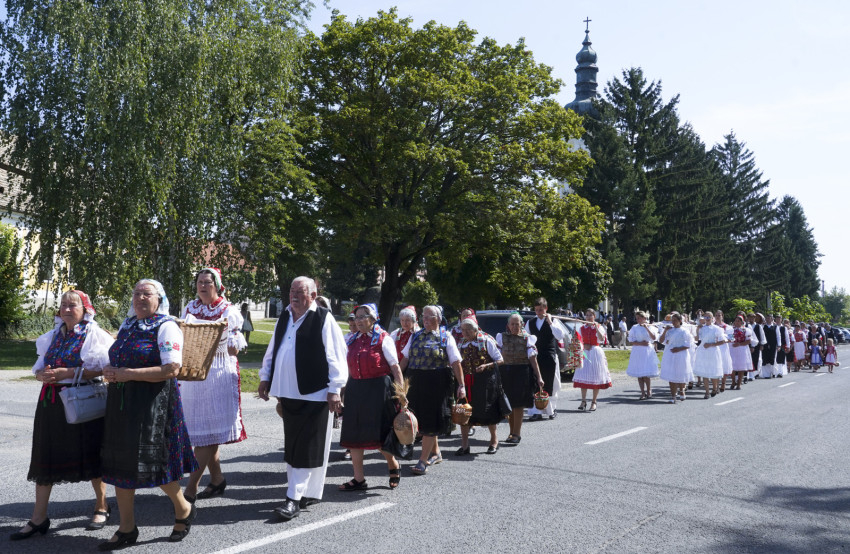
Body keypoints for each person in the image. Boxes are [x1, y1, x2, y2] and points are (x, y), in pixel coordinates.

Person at [100, 280, 197, 550]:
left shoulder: (167, 326)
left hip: (154, 403)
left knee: (154, 463)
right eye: (137, 293)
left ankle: (183, 508)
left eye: (147, 294)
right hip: (122, 402)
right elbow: (120, 357)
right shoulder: (128, 325)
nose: (140, 298)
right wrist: (110, 369)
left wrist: (128, 374)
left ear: (159, 299)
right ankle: (127, 528)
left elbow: (171, 369)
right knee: (120, 464)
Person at [11, 290, 114, 541]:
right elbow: (39, 368)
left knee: (91, 452)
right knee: (45, 454)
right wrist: (42, 375)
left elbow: (103, 368)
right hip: (51, 402)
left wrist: (67, 373)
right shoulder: (52, 336)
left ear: (85, 310)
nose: (67, 309)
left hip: (82, 401)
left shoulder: (93, 334)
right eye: (64, 305)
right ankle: (38, 517)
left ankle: (102, 506)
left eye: (73, 305)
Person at [257, 277, 348, 521]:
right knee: (297, 445)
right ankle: (308, 492)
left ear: (313, 295)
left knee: (306, 447)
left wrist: (335, 388)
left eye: (300, 291)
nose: (294, 295)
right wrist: (265, 377)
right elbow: (273, 350)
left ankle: (293, 498)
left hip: (315, 392)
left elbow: (337, 355)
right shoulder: (285, 316)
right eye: (292, 291)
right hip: (288, 392)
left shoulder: (323, 318)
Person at [180, 268, 248, 504]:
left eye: (207, 282)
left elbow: (235, 348)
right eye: (199, 282)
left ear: (217, 286)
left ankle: (190, 489)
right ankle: (217, 479)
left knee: (207, 435)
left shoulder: (228, 310)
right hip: (194, 373)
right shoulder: (190, 307)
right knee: (203, 432)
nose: (202, 286)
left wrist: (227, 340)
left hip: (218, 374)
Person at [338, 303, 404, 491]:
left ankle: (393, 464)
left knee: (379, 434)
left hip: (378, 390)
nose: (358, 321)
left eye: (362, 317)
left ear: (373, 319)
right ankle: (358, 479)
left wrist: (401, 393)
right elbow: (344, 368)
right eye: (356, 317)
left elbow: (395, 368)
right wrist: (340, 393)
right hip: (355, 389)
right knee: (354, 435)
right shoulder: (351, 339)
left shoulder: (383, 338)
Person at [399, 305, 464, 475]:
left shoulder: (446, 337)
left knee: (430, 420)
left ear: (438, 319)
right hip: (415, 381)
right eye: (424, 316)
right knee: (419, 420)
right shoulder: (415, 335)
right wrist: (397, 380)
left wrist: (462, 385)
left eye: (429, 316)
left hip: (436, 383)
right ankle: (436, 453)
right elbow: (405, 359)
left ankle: (423, 460)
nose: (425, 319)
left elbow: (456, 362)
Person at [455, 315, 504, 455]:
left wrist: (486, 366)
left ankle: (494, 441)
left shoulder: (486, 341)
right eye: (463, 330)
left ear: (475, 330)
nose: (465, 332)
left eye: (468, 330)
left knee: (488, 411)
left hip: (485, 383)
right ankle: (465, 445)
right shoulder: (461, 343)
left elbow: (500, 360)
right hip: (466, 383)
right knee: (463, 412)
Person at [496, 313, 545, 444]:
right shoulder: (501, 337)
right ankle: (511, 432)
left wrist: (539, 377)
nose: (514, 326)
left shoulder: (528, 339)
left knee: (518, 405)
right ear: (508, 325)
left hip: (522, 373)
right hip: (506, 373)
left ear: (521, 325)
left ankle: (516, 434)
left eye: (517, 324)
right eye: (512, 324)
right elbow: (497, 357)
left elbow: (533, 360)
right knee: (509, 404)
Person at [525, 298, 568, 420]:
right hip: (536, 357)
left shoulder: (553, 321)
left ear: (546, 308)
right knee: (535, 383)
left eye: (541, 310)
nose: (538, 312)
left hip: (549, 356)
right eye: (536, 310)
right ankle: (536, 411)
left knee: (551, 384)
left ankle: (551, 410)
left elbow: (560, 336)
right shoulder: (530, 322)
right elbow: (526, 338)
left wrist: (550, 322)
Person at [573, 308, 612, 411]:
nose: (589, 317)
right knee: (583, 375)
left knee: (596, 377)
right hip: (585, 353)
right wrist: (583, 345)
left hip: (595, 352)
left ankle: (594, 401)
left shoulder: (599, 327)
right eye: (587, 315)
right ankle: (583, 401)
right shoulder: (582, 328)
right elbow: (578, 340)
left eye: (591, 315)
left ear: (594, 316)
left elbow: (602, 339)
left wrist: (596, 328)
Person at [659, 312, 694, 402]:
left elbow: (688, 344)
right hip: (670, 354)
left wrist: (678, 349)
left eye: (675, 320)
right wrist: (665, 331)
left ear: (680, 321)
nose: (673, 322)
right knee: (671, 374)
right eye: (672, 320)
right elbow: (661, 341)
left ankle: (682, 390)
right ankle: (673, 396)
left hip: (681, 354)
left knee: (681, 373)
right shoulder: (669, 331)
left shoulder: (684, 331)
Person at [625, 311, 658, 400]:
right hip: (638, 350)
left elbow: (654, 338)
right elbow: (631, 340)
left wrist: (646, 327)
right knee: (639, 373)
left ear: (644, 318)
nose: (638, 320)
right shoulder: (634, 327)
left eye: (639, 318)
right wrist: (640, 344)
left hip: (647, 351)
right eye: (637, 318)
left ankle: (649, 390)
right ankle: (642, 392)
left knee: (646, 373)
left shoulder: (650, 326)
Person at [693, 312, 725, 398]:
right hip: (703, 351)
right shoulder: (702, 328)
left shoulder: (716, 328)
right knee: (705, 372)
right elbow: (697, 339)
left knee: (713, 371)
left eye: (709, 317)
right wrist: (697, 330)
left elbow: (722, 341)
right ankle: (707, 392)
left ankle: (714, 388)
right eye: (705, 317)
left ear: (712, 318)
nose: (707, 319)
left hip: (713, 351)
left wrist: (711, 344)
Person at [729, 315, 757, 390]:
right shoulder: (731, 330)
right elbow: (730, 339)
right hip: (733, 349)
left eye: (739, 321)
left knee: (741, 367)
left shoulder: (746, 330)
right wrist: (733, 342)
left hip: (742, 349)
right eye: (736, 321)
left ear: (742, 322)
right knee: (732, 366)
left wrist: (739, 344)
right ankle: (733, 381)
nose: (737, 322)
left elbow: (748, 341)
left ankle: (739, 383)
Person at [715, 310, 734, 393]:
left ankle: (723, 383)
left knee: (723, 365)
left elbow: (731, 339)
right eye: (716, 315)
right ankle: (716, 385)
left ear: (722, 316)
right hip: (714, 347)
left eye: (719, 315)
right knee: (715, 365)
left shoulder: (727, 327)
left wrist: (724, 340)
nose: (717, 317)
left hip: (723, 347)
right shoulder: (712, 326)